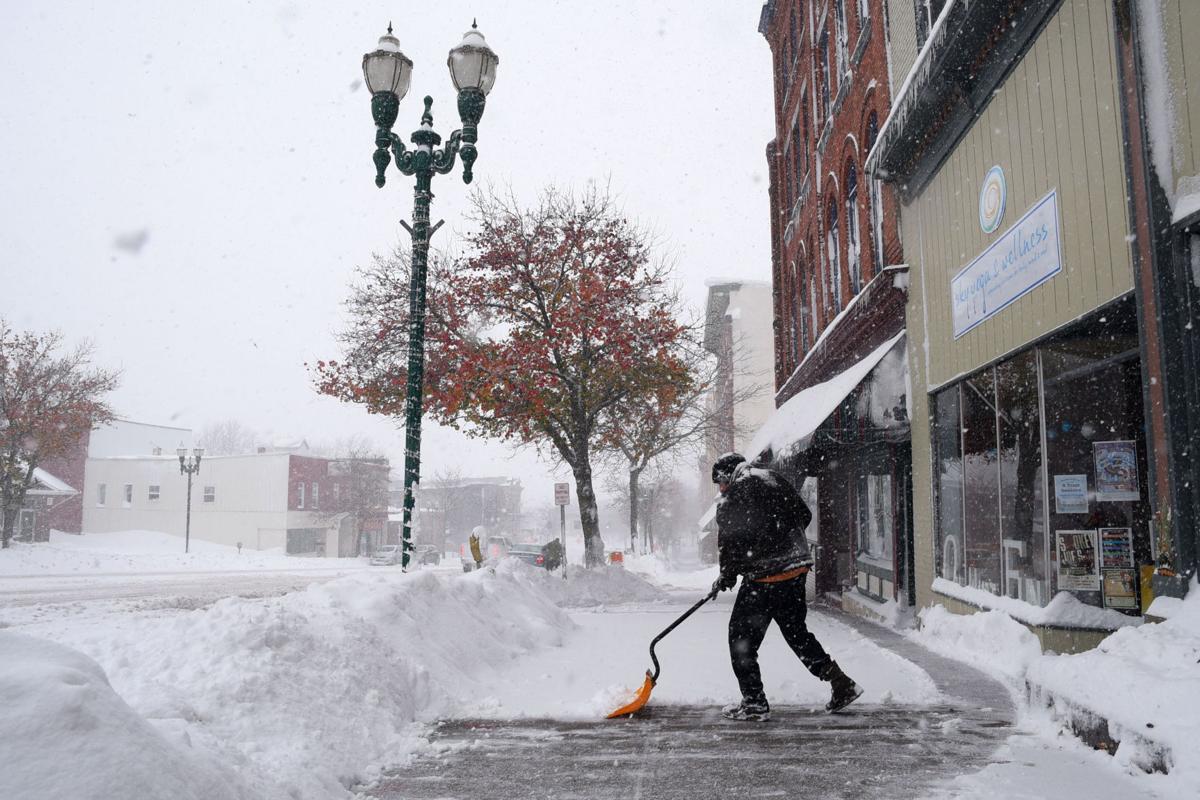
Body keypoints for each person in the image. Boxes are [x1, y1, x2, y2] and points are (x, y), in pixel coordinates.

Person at [710, 452, 862, 720]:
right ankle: (841, 683)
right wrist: (784, 541)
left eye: (720, 482)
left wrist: (728, 574)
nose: (720, 488)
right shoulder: (772, 478)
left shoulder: (733, 496)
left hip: (765, 577)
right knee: (796, 633)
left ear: (727, 475)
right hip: (796, 569)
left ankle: (754, 702)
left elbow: (731, 542)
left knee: (741, 639)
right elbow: (804, 514)